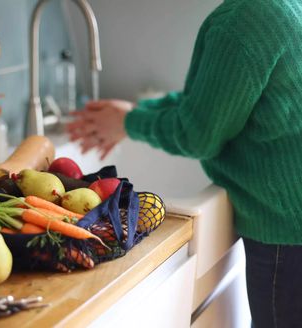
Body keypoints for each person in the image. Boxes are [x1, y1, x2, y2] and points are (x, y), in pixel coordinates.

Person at [67, 0, 302, 327]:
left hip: (287, 237)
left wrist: (131, 122)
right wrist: (132, 116)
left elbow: (198, 134)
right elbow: (210, 102)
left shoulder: (244, 19)